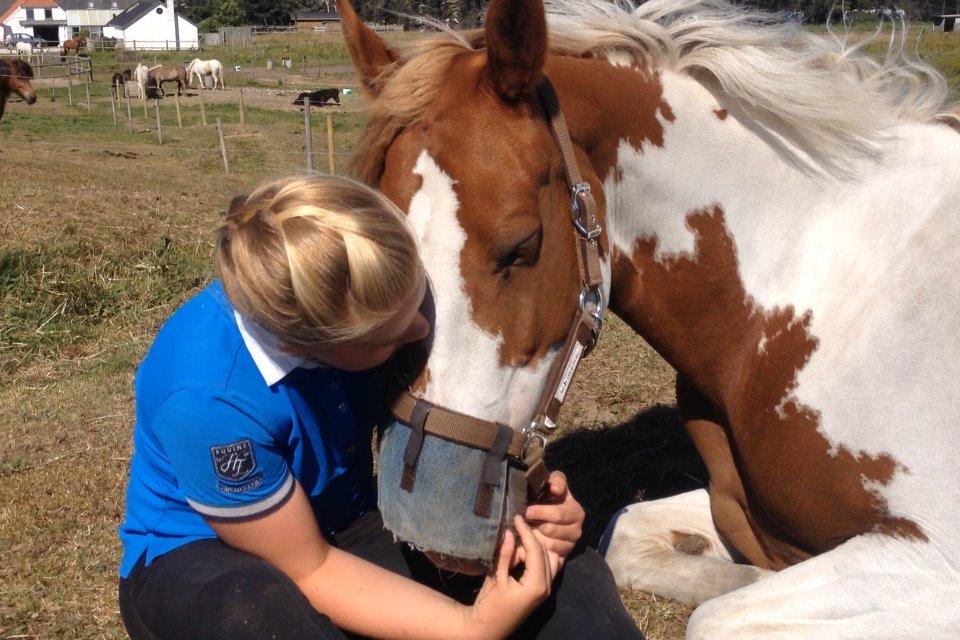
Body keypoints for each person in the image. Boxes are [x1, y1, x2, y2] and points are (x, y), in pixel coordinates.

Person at [117, 175, 643, 640]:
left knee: (556, 576)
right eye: (389, 339)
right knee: (260, 614)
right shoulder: (207, 399)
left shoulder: (365, 296)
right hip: (201, 559)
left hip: (343, 522)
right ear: (313, 345)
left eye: (418, 302)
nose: (418, 329)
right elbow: (309, 568)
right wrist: (472, 626)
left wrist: (535, 510)